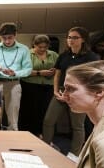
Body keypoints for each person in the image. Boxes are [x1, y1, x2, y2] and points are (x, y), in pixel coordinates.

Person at [42, 27, 99, 155]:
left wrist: (74, 94)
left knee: (77, 126)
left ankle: (74, 155)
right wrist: (56, 91)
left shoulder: (91, 57)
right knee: (48, 120)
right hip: (61, 91)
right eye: (69, 37)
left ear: (83, 39)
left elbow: (92, 78)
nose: (71, 40)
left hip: (80, 94)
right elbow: (57, 74)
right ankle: (46, 146)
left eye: (75, 37)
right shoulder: (64, 55)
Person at [0, 22, 32, 130]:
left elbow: (28, 69)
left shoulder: (23, 49)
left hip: (14, 83)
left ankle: (13, 139)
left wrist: (15, 73)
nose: (7, 41)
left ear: (15, 34)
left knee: (13, 116)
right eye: (4, 38)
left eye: (10, 38)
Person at [18, 35, 58, 136]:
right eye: (40, 47)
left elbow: (59, 68)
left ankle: (43, 135)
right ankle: (27, 134)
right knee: (29, 111)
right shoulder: (26, 54)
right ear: (34, 45)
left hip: (48, 87)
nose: (42, 49)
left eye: (45, 47)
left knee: (45, 112)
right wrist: (40, 73)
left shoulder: (53, 55)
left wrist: (54, 71)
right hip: (29, 86)